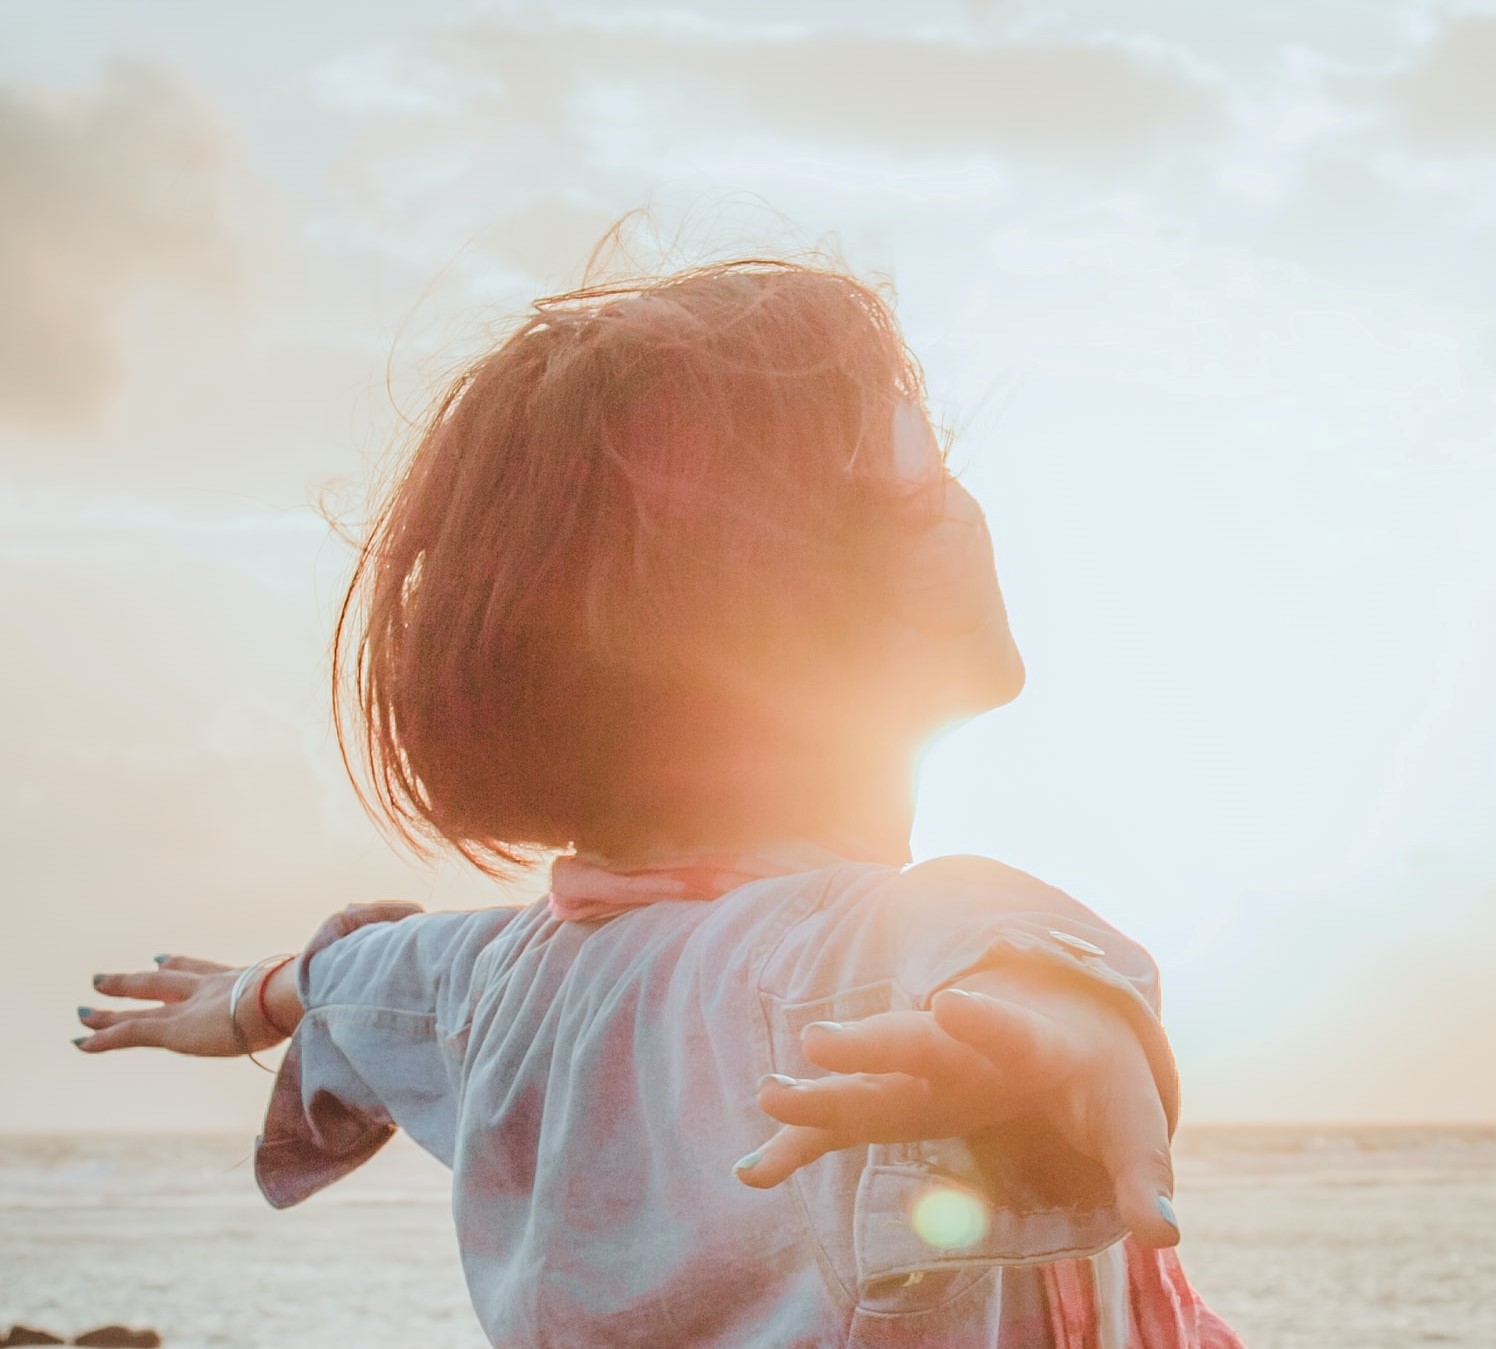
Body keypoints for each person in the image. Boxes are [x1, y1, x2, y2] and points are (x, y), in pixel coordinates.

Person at [71, 258, 1241, 1347]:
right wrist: (1061, 1026)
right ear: (784, 611)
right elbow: (988, 945)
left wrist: (249, 997)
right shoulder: (844, 953)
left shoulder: (495, 977)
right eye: (921, 478)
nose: (963, 508)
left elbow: (365, 978)